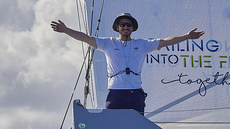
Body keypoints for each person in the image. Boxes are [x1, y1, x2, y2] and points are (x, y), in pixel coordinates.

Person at [51, 13, 204, 115]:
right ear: (117, 27)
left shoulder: (142, 44)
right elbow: (85, 37)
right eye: (122, 24)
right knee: (111, 125)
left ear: (132, 28)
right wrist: (65, 30)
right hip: (116, 92)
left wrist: (186, 36)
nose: (126, 27)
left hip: (135, 93)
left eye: (128, 25)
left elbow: (166, 41)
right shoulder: (108, 43)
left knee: (137, 128)